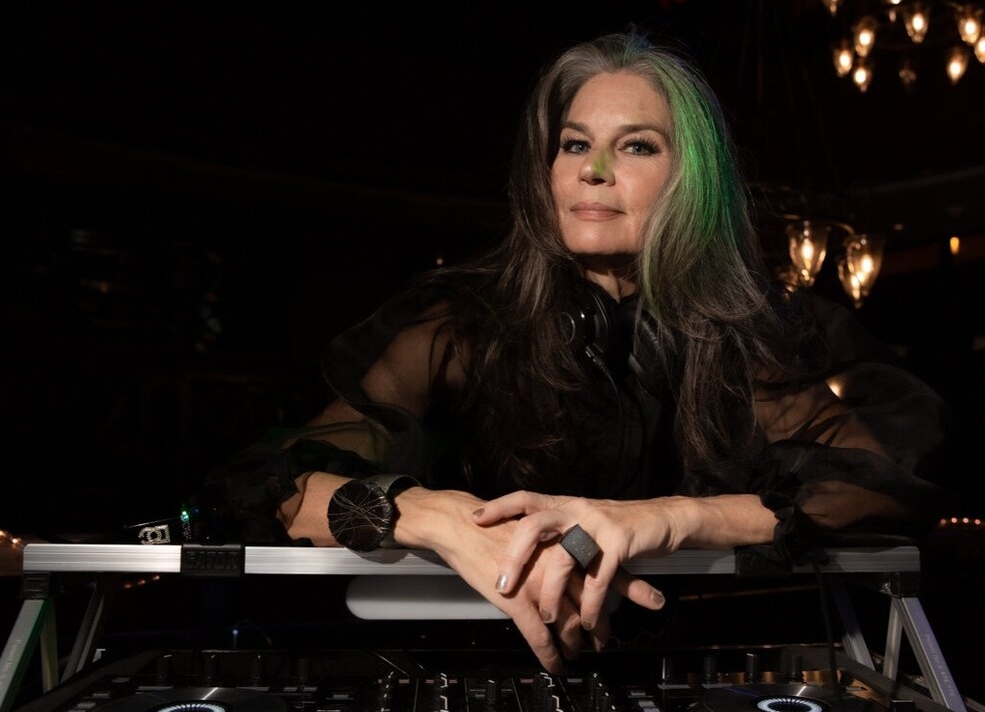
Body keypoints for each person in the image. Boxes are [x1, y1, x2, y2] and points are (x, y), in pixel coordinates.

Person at [201, 29, 950, 674]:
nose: (593, 170)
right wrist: (426, 514)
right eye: (574, 144)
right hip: (464, 666)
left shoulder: (751, 337)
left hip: (679, 664)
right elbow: (270, 485)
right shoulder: (460, 325)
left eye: (636, 146)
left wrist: (668, 518)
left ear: (689, 180)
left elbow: (884, 481)